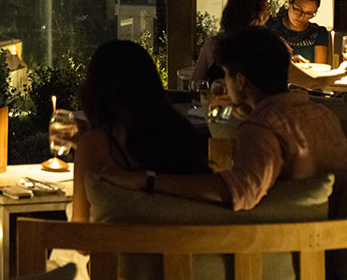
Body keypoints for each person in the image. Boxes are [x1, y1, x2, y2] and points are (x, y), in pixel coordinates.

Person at [100, 27, 347, 211]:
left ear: (240, 81)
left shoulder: (262, 126)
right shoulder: (322, 115)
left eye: (227, 75)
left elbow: (241, 191)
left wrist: (148, 179)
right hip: (333, 240)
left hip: (299, 256)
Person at [71, 40, 207, 221]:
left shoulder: (97, 144)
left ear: (95, 91)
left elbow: (81, 230)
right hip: (184, 246)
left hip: (119, 248)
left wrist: (84, 144)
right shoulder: (181, 134)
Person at [190, 0, 269, 85]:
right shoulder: (264, 48)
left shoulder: (213, 45)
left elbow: (195, 84)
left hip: (216, 99)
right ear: (258, 17)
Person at [264, 0, 331, 65]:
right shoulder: (269, 27)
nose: (302, 17)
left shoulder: (318, 33)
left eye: (309, 13)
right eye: (298, 10)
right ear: (290, 1)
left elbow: (319, 70)